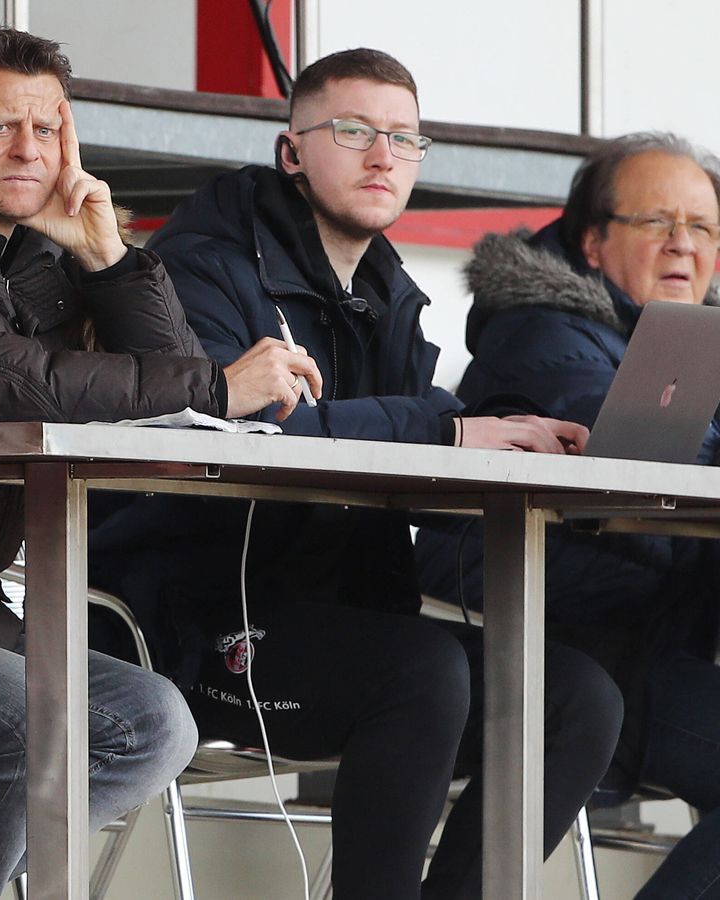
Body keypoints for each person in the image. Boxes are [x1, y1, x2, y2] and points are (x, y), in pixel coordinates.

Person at [0, 26, 318, 900]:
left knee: (154, 727)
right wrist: (218, 384)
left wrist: (106, 255)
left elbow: (178, 408)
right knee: (40, 726)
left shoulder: (38, 243)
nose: (28, 150)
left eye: (47, 129)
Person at [87, 48, 624, 899]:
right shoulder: (201, 267)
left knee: (577, 698)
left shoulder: (390, 294)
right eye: (354, 131)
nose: (383, 157)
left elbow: (410, 464)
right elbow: (250, 433)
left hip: (348, 619)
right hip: (188, 622)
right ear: (291, 151)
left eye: (406, 140)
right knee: (422, 673)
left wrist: (526, 448)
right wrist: (450, 429)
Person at [415, 132, 720, 899]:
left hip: (637, 651)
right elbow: (645, 444)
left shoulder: (685, 339)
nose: (684, 244)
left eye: (704, 227)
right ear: (593, 241)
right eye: (658, 222)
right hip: (552, 661)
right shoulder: (547, 332)